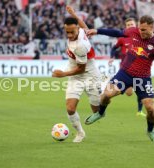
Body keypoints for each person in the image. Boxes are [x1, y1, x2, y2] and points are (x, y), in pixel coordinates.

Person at [85, 15, 154, 142]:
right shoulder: (133, 31)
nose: (141, 32)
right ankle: (100, 113)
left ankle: (150, 131)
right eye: (140, 28)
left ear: (151, 27)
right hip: (125, 73)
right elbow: (116, 33)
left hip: (143, 78)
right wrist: (97, 31)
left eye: (144, 30)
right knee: (106, 95)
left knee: (150, 109)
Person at [52, 7, 101, 143]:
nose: (69, 35)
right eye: (66, 32)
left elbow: (81, 68)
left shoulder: (79, 46)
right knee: (70, 108)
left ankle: (102, 100)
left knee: (97, 111)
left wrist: (63, 74)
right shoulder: (79, 30)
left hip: (89, 73)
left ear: (76, 30)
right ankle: (80, 132)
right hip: (75, 74)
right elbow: (84, 26)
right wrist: (73, 14)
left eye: (71, 32)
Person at [109, 17, 145, 117]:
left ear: (136, 26)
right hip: (125, 69)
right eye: (128, 25)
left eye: (131, 25)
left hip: (139, 68)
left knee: (141, 89)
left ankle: (139, 111)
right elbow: (114, 48)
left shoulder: (141, 37)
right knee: (129, 92)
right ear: (125, 27)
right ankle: (108, 96)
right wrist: (112, 57)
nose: (130, 26)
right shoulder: (122, 38)